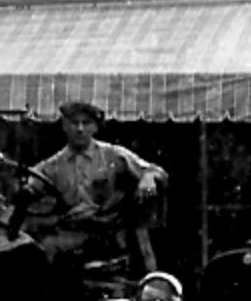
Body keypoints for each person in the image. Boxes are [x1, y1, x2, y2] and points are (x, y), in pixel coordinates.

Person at [25, 100, 168, 268]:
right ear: (64, 126)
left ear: (95, 127)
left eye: (86, 123)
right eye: (74, 123)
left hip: (109, 239)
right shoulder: (52, 166)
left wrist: (148, 178)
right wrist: (24, 189)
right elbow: (29, 185)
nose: (80, 129)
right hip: (69, 238)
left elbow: (156, 171)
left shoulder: (113, 155)